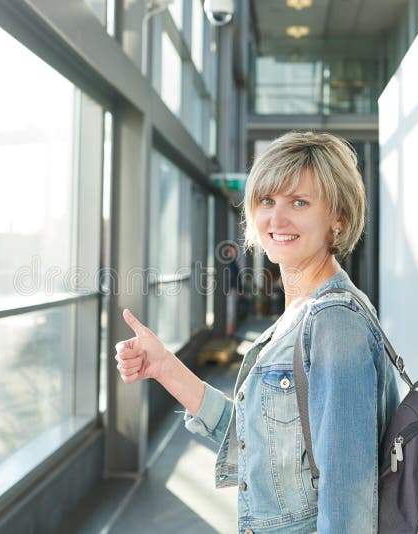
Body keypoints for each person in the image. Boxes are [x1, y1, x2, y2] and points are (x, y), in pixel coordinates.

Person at [115, 131, 400, 533]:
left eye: (299, 202)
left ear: (338, 217)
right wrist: (165, 366)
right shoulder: (300, 312)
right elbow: (259, 442)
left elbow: (349, 496)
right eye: (267, 201)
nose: (277, 219)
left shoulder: (335, 322)